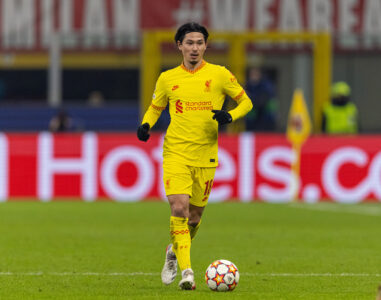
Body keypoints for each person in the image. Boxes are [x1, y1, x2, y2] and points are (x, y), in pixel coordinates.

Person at [136, 22, 253, 290]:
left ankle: (173, 252)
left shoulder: (220, 74)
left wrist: (230, 116)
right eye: (189, 43)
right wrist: (145, 125)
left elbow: (247, 102)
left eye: (199, 43)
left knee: (195, 218)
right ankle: (187, 272)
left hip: (206, 156)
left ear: (206, 46)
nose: (194, 48)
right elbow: (155, 108)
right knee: (179, 207)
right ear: (179, 46)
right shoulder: (168, 78)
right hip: (176, 151)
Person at [244, 67, 277, 131]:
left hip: (264, 114)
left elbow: (262, 100)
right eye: (251, 75)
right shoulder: (248, 85)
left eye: (255, 74)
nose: (253, 77)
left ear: (259, 75)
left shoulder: (266, 86)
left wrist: (250, 96)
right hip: (253, 117)